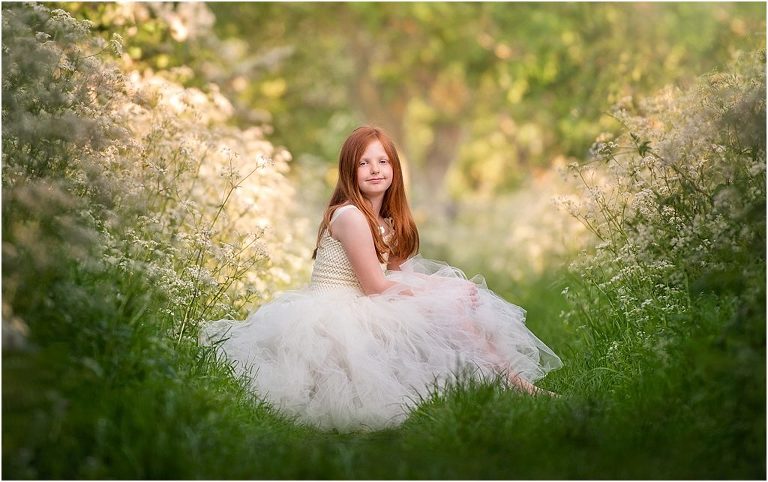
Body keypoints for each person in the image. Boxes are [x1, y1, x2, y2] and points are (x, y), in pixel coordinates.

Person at [199, 125, 563, 432]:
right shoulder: (350, 217)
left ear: (395, 169)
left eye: (383, 161)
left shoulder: (386, 220)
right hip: (338, 312)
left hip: (365, 302)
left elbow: (400, 274)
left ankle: (506, 384)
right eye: (364, 163)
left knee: (458, 306)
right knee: (446, 314)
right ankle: (515, 386)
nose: (375, 170)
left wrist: (450, 288)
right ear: (349, 171)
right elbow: (375, 286)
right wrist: (441, 297)